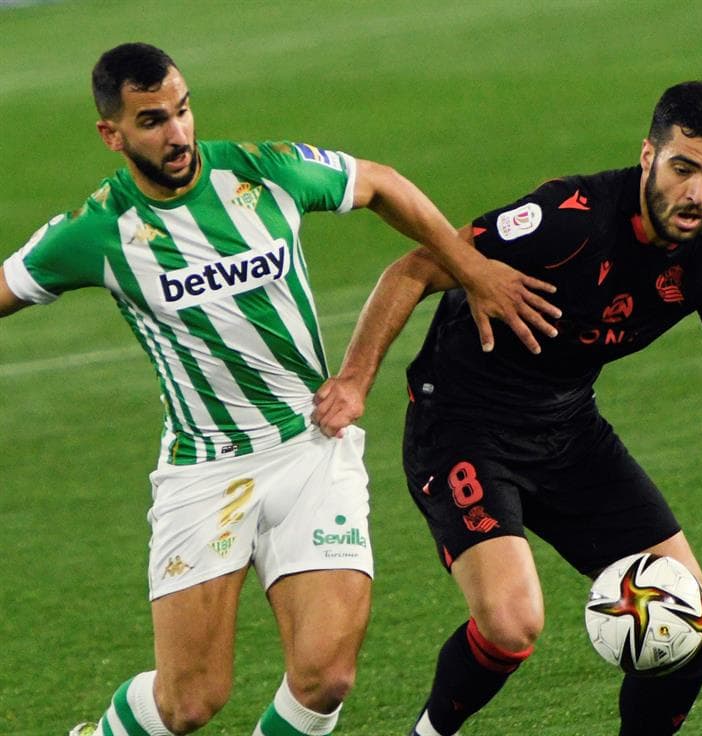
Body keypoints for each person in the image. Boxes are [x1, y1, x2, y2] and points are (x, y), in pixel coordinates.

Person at [0, 43, 560, 736]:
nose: (177, 134)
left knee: (327, 676)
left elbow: (382, 183)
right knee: (190, 703)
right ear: (111, 134)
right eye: (152, 121)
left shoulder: (262, 171)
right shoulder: (98, 231)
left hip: (309, 444)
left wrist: (470, 268)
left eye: (182, 110)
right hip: (206, 468)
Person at [312, 81, 702, 735]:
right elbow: (414, 268)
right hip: (462, 423)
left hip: (567, 429)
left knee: (690, 621)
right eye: (684, 168)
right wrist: (354, 381)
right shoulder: (570, 217)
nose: (697, 194)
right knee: (512, 626)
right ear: (648, 153)